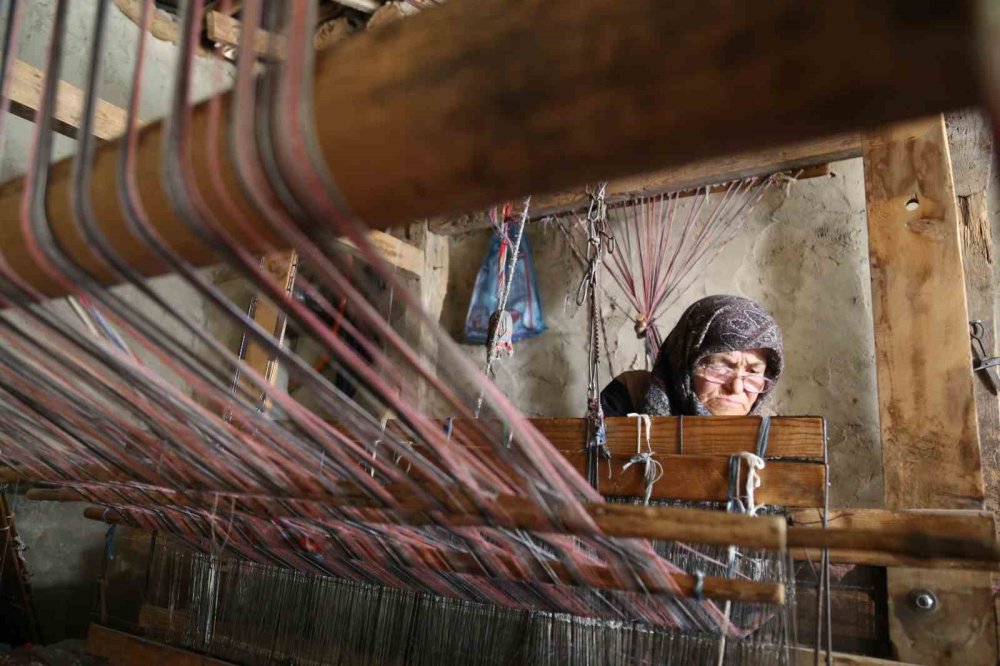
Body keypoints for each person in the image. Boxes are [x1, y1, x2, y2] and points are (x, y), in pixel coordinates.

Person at [599, 295, 783, 417]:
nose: (736, 387)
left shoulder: (771, 434)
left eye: (752, 372)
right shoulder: (632, 394)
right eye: (722, 367)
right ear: (685, 360)